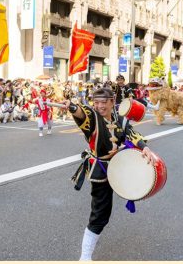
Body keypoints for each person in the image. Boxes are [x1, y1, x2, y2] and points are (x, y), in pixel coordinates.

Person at [50, 86, 158, 261]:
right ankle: (84, 257)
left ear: (112, 102)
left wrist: (144, 148)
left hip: (119, 166)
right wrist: (71, 106)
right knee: (100, 214)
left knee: (139, 185)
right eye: (96, 102)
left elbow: (131, 134)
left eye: (103, 102)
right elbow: (81, 112)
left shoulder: (119, 119)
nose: (99, 106)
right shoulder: (93, 118)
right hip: (101, 169)